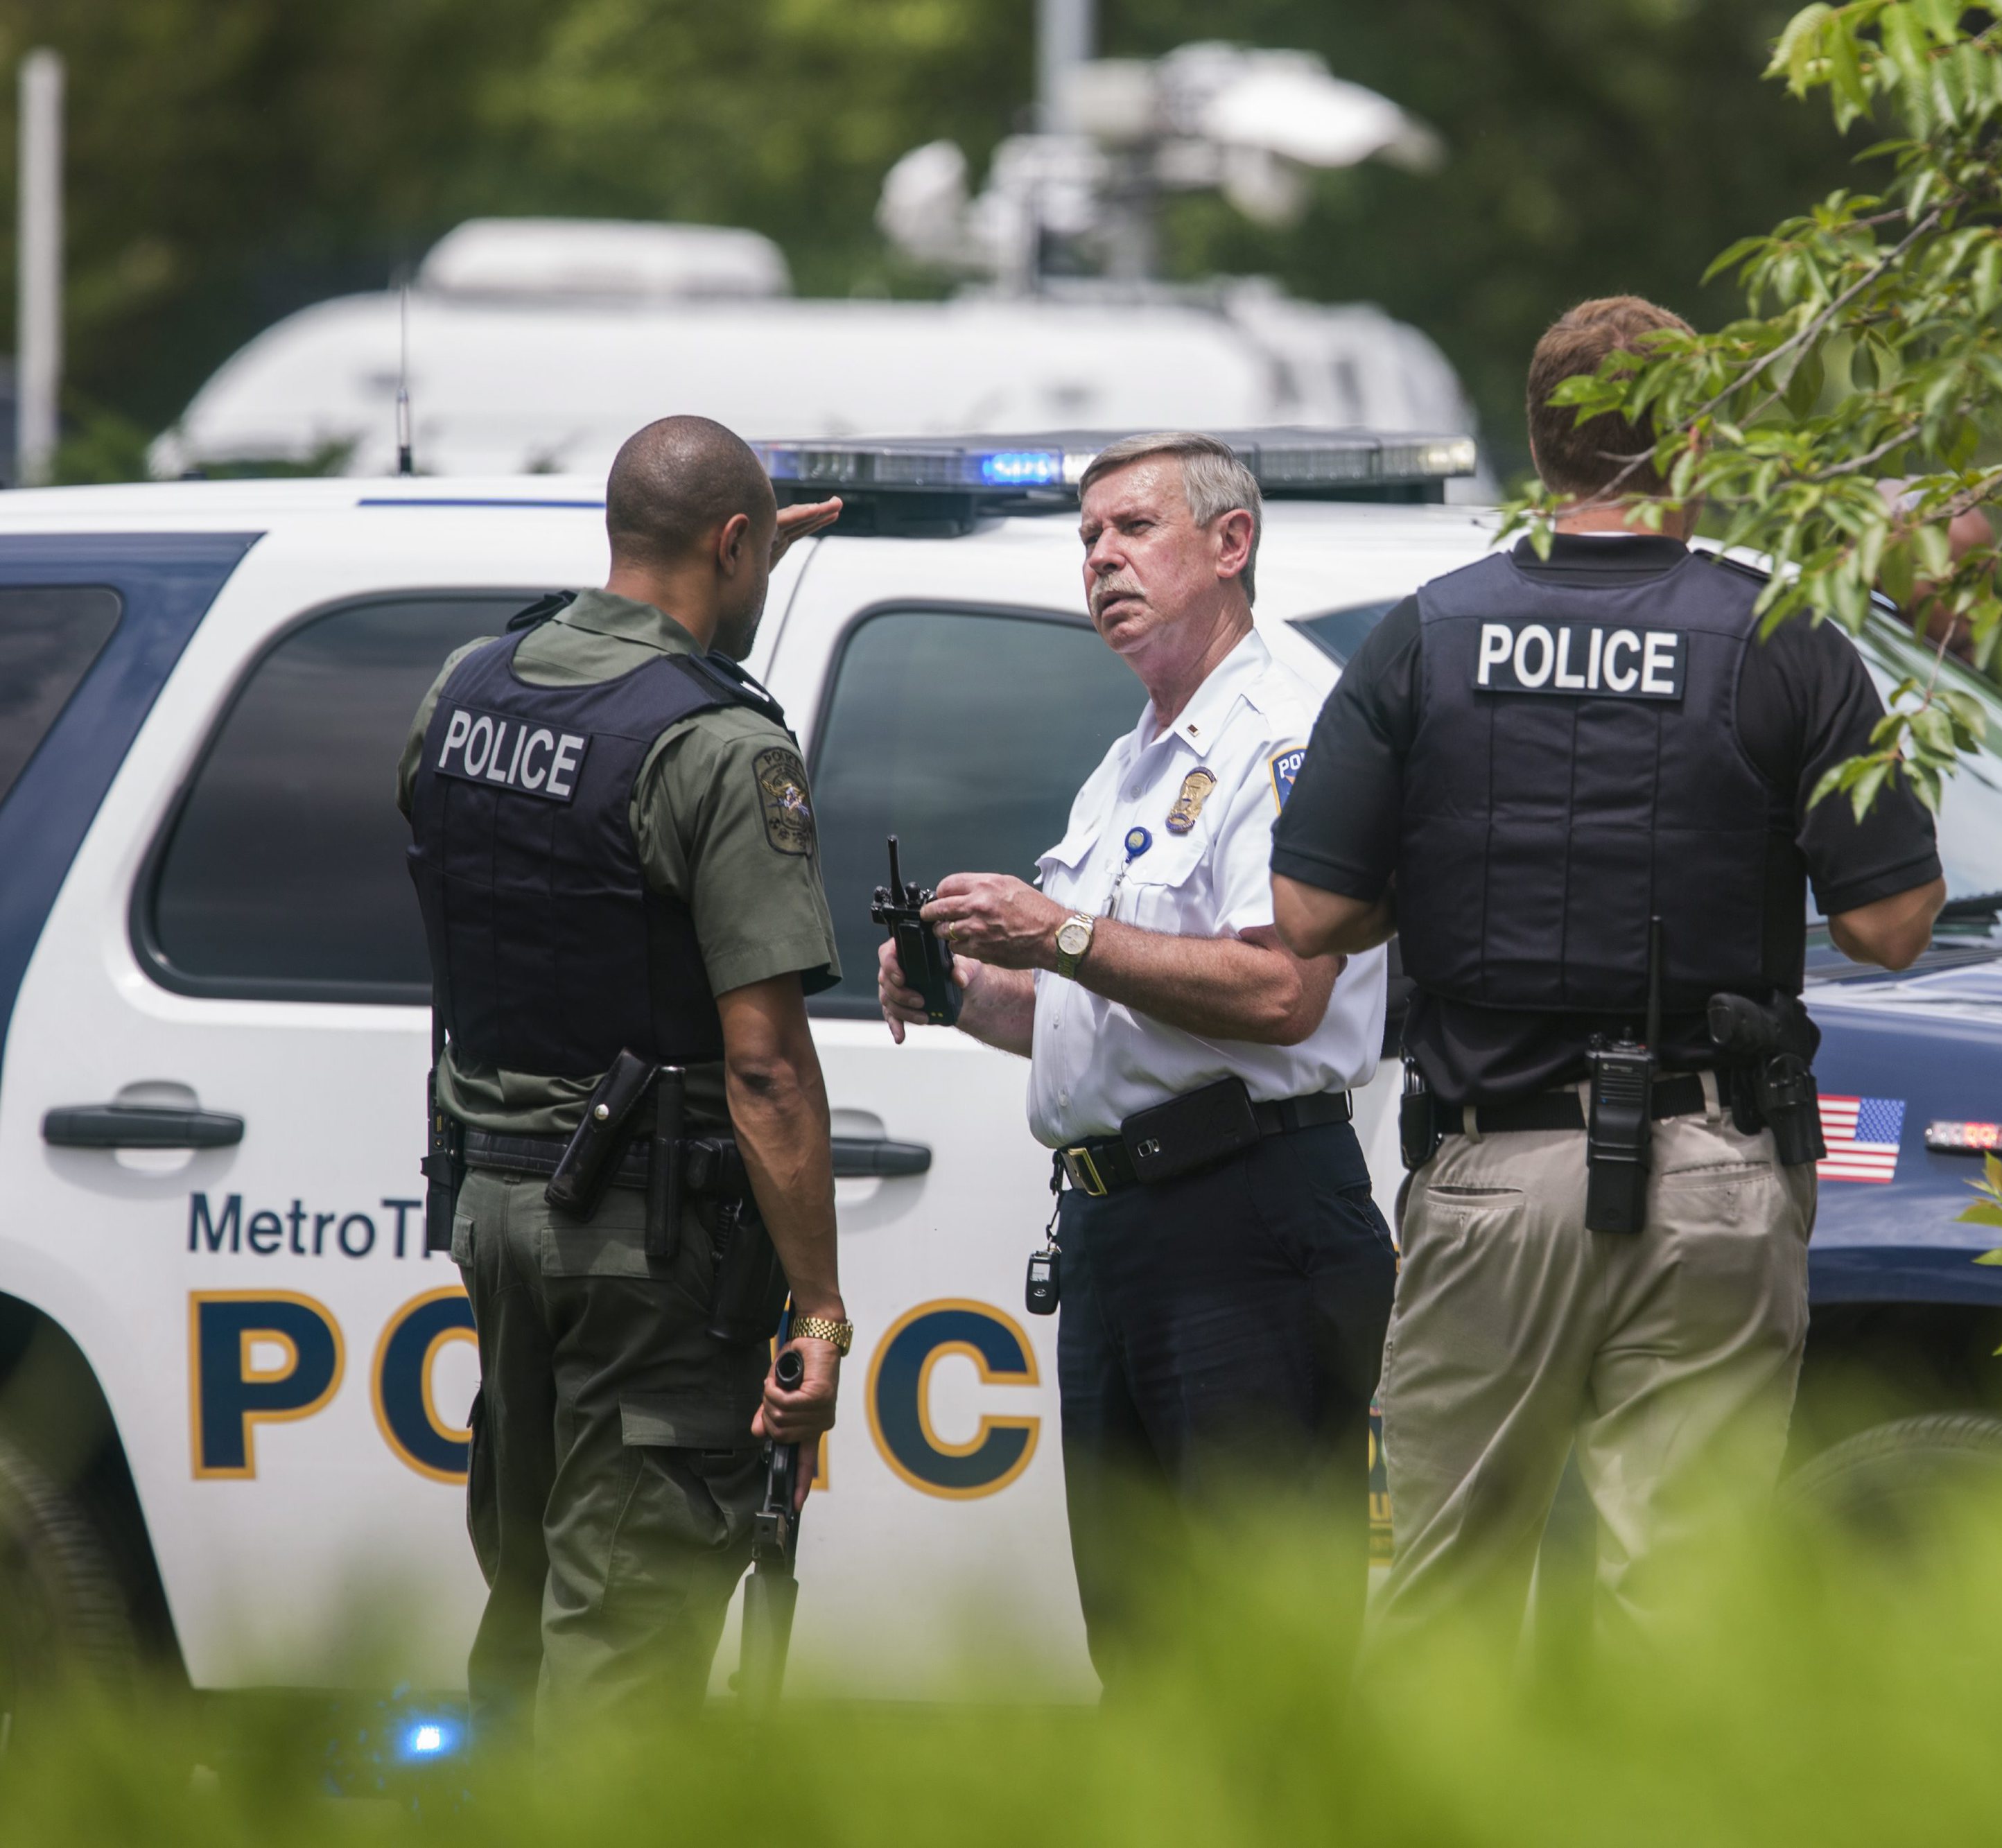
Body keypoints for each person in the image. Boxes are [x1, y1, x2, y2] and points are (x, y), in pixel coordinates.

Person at [1269, 296, 1948, 1649]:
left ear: (1538, 449)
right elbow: (1890, 928)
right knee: (1682, 1609)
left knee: (1440, 1603)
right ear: (1693, 439)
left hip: (1487, 1172)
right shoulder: (1781, 638)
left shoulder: (1428, 633)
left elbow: (1305, 913)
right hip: (1711, 1170)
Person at [877, 431, 1394, 1689]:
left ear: (1231, 544)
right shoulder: (1129, 763)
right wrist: (965, 986)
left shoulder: (1288, 730)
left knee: (1262, 1662)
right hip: (1124, 1230)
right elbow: (1089, 1012)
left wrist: (1054, 929)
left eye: (1132, 528)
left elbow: (1282, 985)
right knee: (1144, 1654)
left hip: (1250, 1224)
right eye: (1088, 538)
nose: (1102, 557)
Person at [398, 415, 850, 1740]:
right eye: (754, 553)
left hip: (497, 1208)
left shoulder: (467, 687)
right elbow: (762, 1068)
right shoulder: (722, 747)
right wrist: (816, 1312)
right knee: (627, 1637)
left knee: (531, 1586)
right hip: (646, 1250)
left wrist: (752, 543)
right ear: (731, 543)